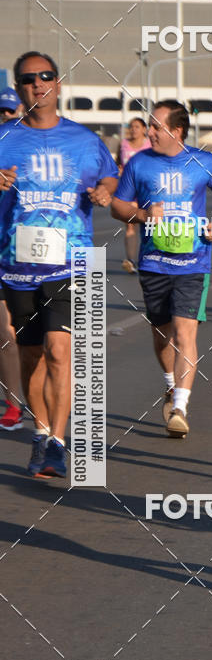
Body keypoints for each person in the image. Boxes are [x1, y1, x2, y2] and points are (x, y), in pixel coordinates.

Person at [0, 50, 118, 476]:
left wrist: (105, 192)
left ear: (58, 83)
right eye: (28, 78)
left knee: (59, 350)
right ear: (18, 88)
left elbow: (108, 174)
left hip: (72, 262)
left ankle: (58, 442)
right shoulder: (4, 138)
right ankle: (41, 430)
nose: (37, 84)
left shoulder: (85, 141)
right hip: (17, 264)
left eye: (45, 76)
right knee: (31, 356)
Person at [111, 100, 212, 438]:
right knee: (162, 334)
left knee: (185, 332)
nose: (149, 132)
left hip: (193, 262)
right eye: (149, 126)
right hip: (153, 263)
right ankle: (170, 384)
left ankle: (180, 406)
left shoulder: (202, 161)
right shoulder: (140, 164)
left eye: (156, 126)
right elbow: (117, 206)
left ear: (177, 131)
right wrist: (144, 215)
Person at [0, 87, 25, 430]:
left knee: (40, 337)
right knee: (3, 332)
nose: (5, 118)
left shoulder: (35, 144)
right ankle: (14, 404)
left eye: (9, 111)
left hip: (32, 251)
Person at [117, 117, 151, 274]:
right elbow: (118, 163)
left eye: (137, 126)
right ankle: (130, 260)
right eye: (131, 126)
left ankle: (149, 258)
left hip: (146, 189)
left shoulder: (150, 144)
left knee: (149, 225)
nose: (133, 129)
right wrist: (119, 171)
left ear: (144, 129)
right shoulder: (123, 144)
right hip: (129, 190)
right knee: (130, 225)